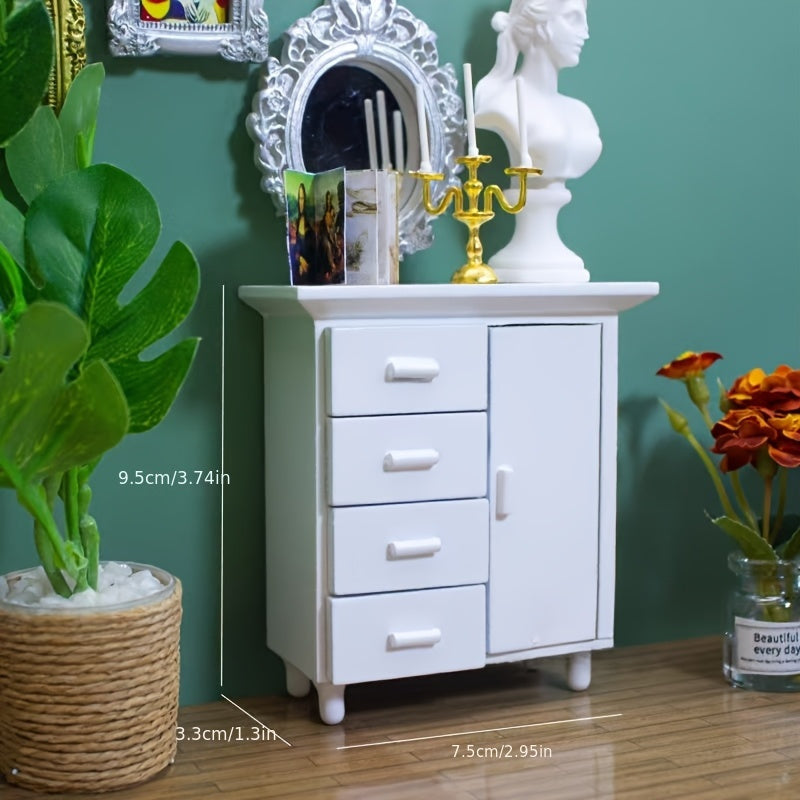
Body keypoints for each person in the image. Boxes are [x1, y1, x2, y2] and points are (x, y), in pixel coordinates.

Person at [473, 0, 600, 282]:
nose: (586, 32)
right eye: (574, 18)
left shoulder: (581, 114)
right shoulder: (501, 104)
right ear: (540, 25)